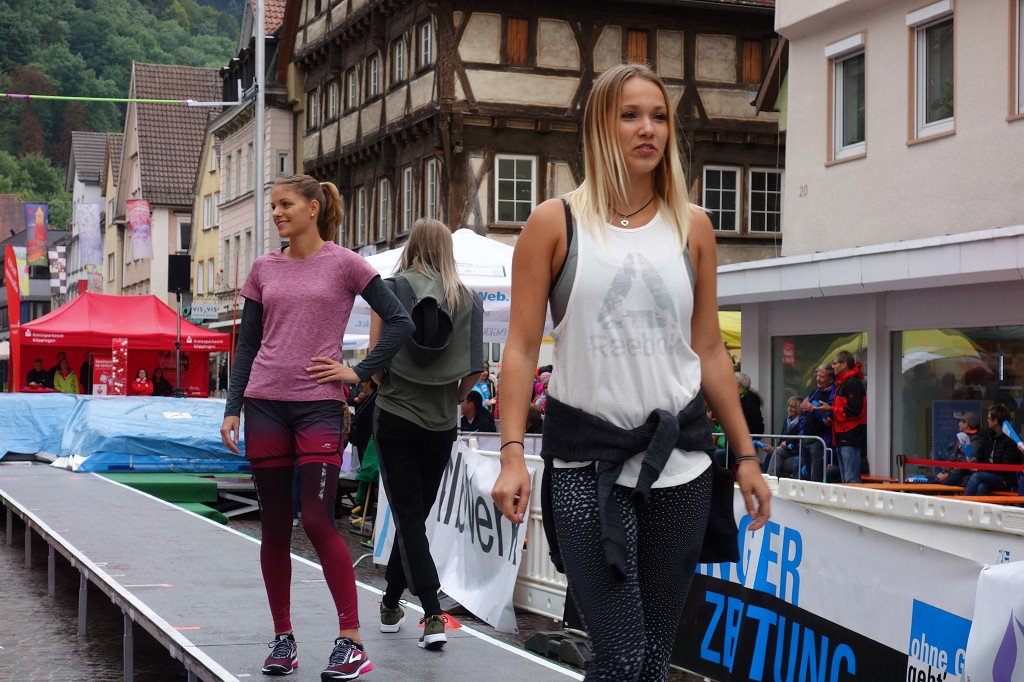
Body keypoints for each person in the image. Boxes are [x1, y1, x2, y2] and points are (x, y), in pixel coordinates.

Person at [489, 63, 771, 682]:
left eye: (659, 116)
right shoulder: (554, 222)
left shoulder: (693, 226)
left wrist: (746, 456)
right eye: (631, 115)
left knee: (650, 662)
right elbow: (521, 347)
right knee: (619, 657)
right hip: (586, 465)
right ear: (600, 125)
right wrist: (512, 454)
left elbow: (709, 349)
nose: (648, 129)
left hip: (683, 465)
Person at [219, 173, 413, 680]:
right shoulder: (263, 268)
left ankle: (351, 641)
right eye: (273, 206)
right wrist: (233, 407)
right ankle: (283, 639)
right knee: (274, 524)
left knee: (318, 519)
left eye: (285, 204)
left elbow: (401, 321)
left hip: (319, 408)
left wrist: (359, 372)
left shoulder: (346, 264)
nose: (277, 213)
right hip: (264, 403)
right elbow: (248, 344)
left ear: (312, 207)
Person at [370, 217, 484, 651]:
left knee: (408, 517)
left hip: (396, 413)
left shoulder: (390, 290)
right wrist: (454, 396)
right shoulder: (468, 299)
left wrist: (390, 383)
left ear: (412, 245)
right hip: (441, 423)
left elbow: (376, 359)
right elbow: (474, 369)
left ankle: (432, 613)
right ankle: (390, 603)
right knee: (414, 517)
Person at [825, 350, 867, 483]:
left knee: (851, 479)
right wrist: (830, 415)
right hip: (842, 438)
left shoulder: (852, 383)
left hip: (850, 438)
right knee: (846, 481)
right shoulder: (842, 383)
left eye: (835, 363)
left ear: (844, 365)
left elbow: (854, 410)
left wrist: (831, 410)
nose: (833, 366)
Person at [965, 405, 1022, 496]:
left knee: (977, 476)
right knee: (981, 487)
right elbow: (981, 453)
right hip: (989, 474)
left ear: (995, 421)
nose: (987, 420)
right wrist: (975, 459)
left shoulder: (1010, 440)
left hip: (1006, 479)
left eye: (988, 418)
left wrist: (982, 469)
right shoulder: (989, 434)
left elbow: (1005, 468)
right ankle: (975, 505)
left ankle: (963, 503)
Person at [799, 365, 837, 482]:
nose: (818, 379)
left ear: (830, 380)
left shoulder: (833, 394)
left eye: (821, 376)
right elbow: (806, 413)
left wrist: (813, 409)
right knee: (808, 477)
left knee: (816, 477)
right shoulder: (815, 391)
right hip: (806, 438)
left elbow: (828, 420)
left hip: (819, 441)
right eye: (817, 376)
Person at [935, 411, 988, 487]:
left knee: (944, 484)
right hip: (954, 472)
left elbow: (966, 464)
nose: (958, 424)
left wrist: (948, 475)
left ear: (966, 424)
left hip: (964, 474)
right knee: (934, 481)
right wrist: (944, 472)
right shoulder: (962, 437)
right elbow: (953, 458)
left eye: (960, 421)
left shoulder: (976, 441)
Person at [764, 396, 802, 477]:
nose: (789, 409)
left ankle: (771, 478)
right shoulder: (787, 420)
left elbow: (798, 437)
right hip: (785, 449)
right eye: (789, 406)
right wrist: (775, 447)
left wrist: (787, 443)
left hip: (794, 450)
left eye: (793, 407)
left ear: (798, 409)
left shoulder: (801, 421)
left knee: (777, 452)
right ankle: (765, 477)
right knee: (771, 453)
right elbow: (782, 438)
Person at [736, 372, 765, 437]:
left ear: (738, 384)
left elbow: (753, 419)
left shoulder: (749, 398)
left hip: (748, 436)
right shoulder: (743, 397)